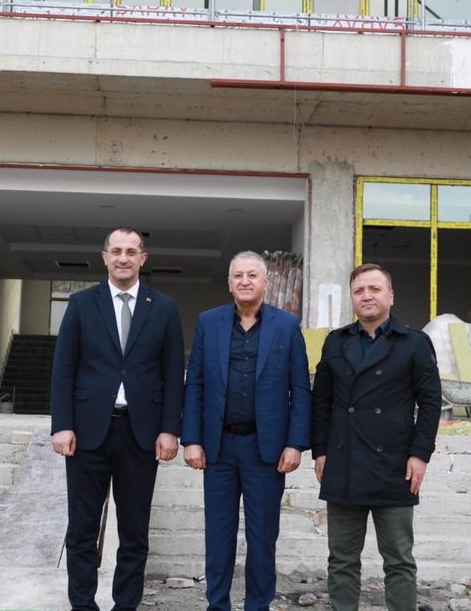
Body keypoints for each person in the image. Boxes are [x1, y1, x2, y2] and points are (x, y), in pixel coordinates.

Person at [50, 227, 186, 611]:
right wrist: (62, 424)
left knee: (134, 531)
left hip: (140, 434)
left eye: (131, 251)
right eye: (116, 251)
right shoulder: (81, 304)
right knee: (82, 528)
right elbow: (63, 369)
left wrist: (170, 429)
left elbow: (173, 373)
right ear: (105, 257)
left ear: (143, 258)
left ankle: (126, 605)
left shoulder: (164, 308)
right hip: (87, 432)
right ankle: (83, 604)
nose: (123, 258)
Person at [182, 251, 312, 611]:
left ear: (265, 282)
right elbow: (194, 384)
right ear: (229, 283)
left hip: (265, 450)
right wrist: (191, 439)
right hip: (219, 448)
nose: (244, 281)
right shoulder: (209, 322)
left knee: (262, 537)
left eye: (252, 275)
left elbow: (301, 389)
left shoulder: (287, 326)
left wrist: (295, 443)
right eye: (238, 275)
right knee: (218, 536)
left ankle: (258, 605)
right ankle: (217, 604)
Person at [310, 263, 442, 611]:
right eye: (359, 291)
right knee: (341, 559)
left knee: (398, 559)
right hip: (344, 462)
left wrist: (420, 454)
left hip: (394, 465)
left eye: (374, 289)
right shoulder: (336, 341)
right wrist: (320, 450)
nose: (366, 296)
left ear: (391, 296)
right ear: (352, 298)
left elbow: (430, 403)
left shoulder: (414, 342)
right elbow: (321, 400)